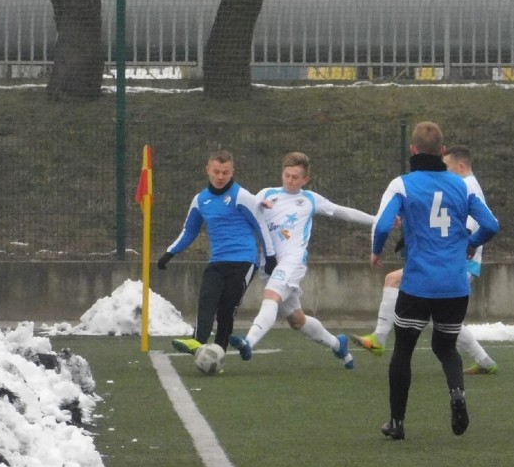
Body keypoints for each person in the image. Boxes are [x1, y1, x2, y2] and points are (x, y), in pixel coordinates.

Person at [370, 123, 499, 440]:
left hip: (418, 285)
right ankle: (457, 393)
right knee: (446, 347)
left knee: (403, 351)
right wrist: (472, 242)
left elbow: (384, 224)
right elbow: (491, 225)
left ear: (412, 151)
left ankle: (397, 423)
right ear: (442, 153)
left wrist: (376, 252)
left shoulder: (402, 184)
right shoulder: (463, 185)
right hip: (455, 286)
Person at [352, 145, 499, 375]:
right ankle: (485, 362)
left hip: (456, 260)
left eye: (448, 167)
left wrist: (468, 244)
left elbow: (467, 226)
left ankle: (379, 337)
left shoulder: (465, 185)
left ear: (460, 166)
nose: (444, 172)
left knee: (398, 284)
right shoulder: (465, 184)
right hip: (453, 259)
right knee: (444, 317)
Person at [228, 151, 376, 369]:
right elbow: (246, 210)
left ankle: (248, 342)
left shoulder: (310, 199)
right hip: (269, 264)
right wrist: (259, 205)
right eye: (287, 175)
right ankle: (338, 344)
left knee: (271, 297)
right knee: (297, 320)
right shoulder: (266, 194)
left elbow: (343, 212)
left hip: (293, 261)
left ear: (305, 179)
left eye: (295, 177)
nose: (290, 180)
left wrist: (377, 220)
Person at [157, 149, 277, 355]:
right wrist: (170, 253)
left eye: (225, 172)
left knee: (226, 309)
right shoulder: (200, 200)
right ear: (208, 171)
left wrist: (270, 256)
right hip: (217, 261)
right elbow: (189, 231)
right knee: (207, 299)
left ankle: (218, 352)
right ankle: (198, 340)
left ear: (232, 172)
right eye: (216, 171)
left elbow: (260, 225)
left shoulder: (241, 196)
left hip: (244, 261)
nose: (220, 177)